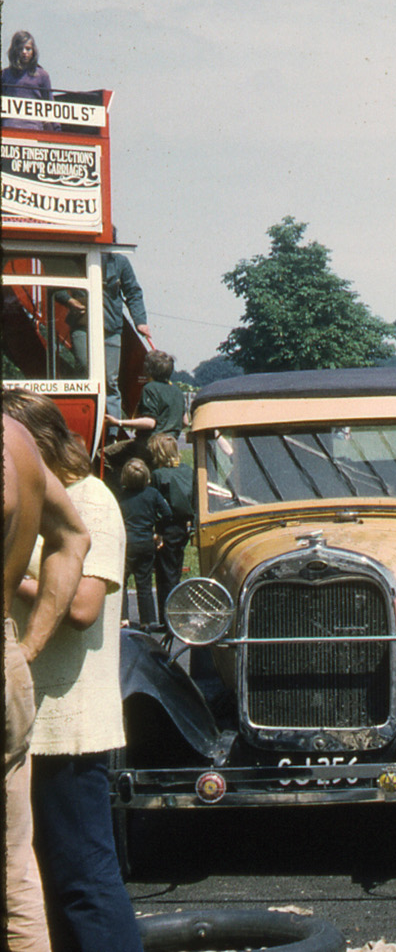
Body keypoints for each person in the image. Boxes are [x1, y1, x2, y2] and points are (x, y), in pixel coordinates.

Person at [4, 391, 140, 952]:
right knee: (40, 876)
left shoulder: (92, 501)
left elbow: (83, 606)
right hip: (32, 718)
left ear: (36, 443)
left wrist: (12, 579)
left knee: (82, 875)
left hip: (70, 723)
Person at [5, 412, 91, 952]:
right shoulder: (16, 440)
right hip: (5, 657)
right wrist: (28, 646)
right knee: (14, 866)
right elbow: (73, 537)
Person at [117, 457, 171, 628]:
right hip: (146, 541)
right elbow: (167, 513)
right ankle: (146, 621)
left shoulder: (121, 496)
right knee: (144, 583)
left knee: (122, 581)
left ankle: (123, 618)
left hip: (126, 543)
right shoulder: (153, 494)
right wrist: (158, 532)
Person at [101, 247, 152, 423]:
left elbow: (133, 291)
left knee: (110, 381)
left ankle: (112, 430)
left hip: (111, 328)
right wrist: (69, 300)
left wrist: (140, 320)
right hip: (83, 326)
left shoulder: (120, 262)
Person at [148, 433, 195, 607]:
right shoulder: (187, 470)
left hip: (166, 529)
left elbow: (155, 506)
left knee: (164, 576)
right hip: (183, 528)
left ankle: (167, 614)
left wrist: (157, 531)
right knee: (175, 571)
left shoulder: (158, 475)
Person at [117, 349, 187, 445]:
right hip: (171, 444)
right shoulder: (177, 391)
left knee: (107, 452)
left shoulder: (150, 388)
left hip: (150, 444)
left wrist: (118, 422)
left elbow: (150, 422)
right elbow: (185, 422)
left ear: (147, 370)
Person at [2, 31, 52, 131]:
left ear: (33, 51)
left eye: (28, 48)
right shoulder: (4, 74)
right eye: (20, 49)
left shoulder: (42, 75)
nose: (24, 52)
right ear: (14, 51)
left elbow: (50, 106)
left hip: (34, 128)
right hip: (9, 129)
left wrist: (56, 130)